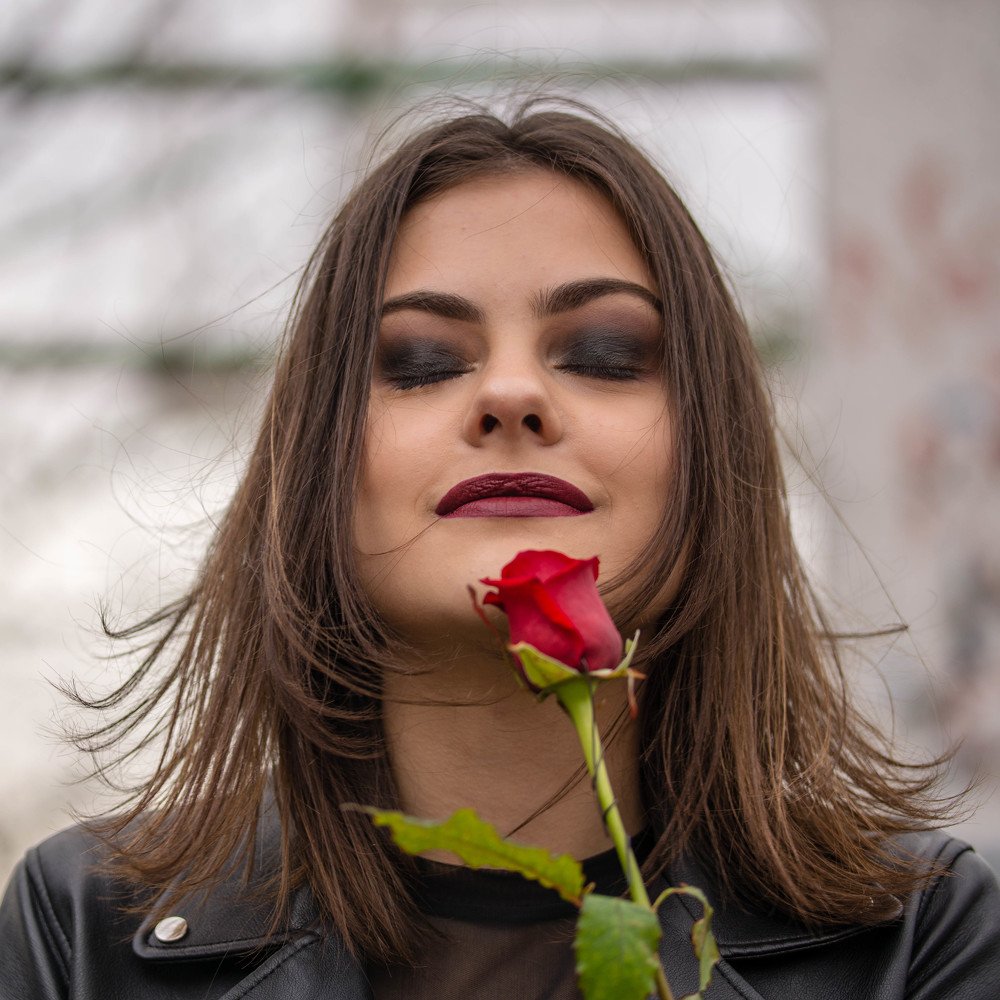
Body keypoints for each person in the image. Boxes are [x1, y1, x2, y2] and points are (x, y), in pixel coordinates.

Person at [1, 97, 998, 1000]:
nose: (510, 393)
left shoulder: (917, 941)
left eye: (604, 354)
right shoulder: (88, 935)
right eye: (421, 362)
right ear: (317, 467)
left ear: (711, 458)